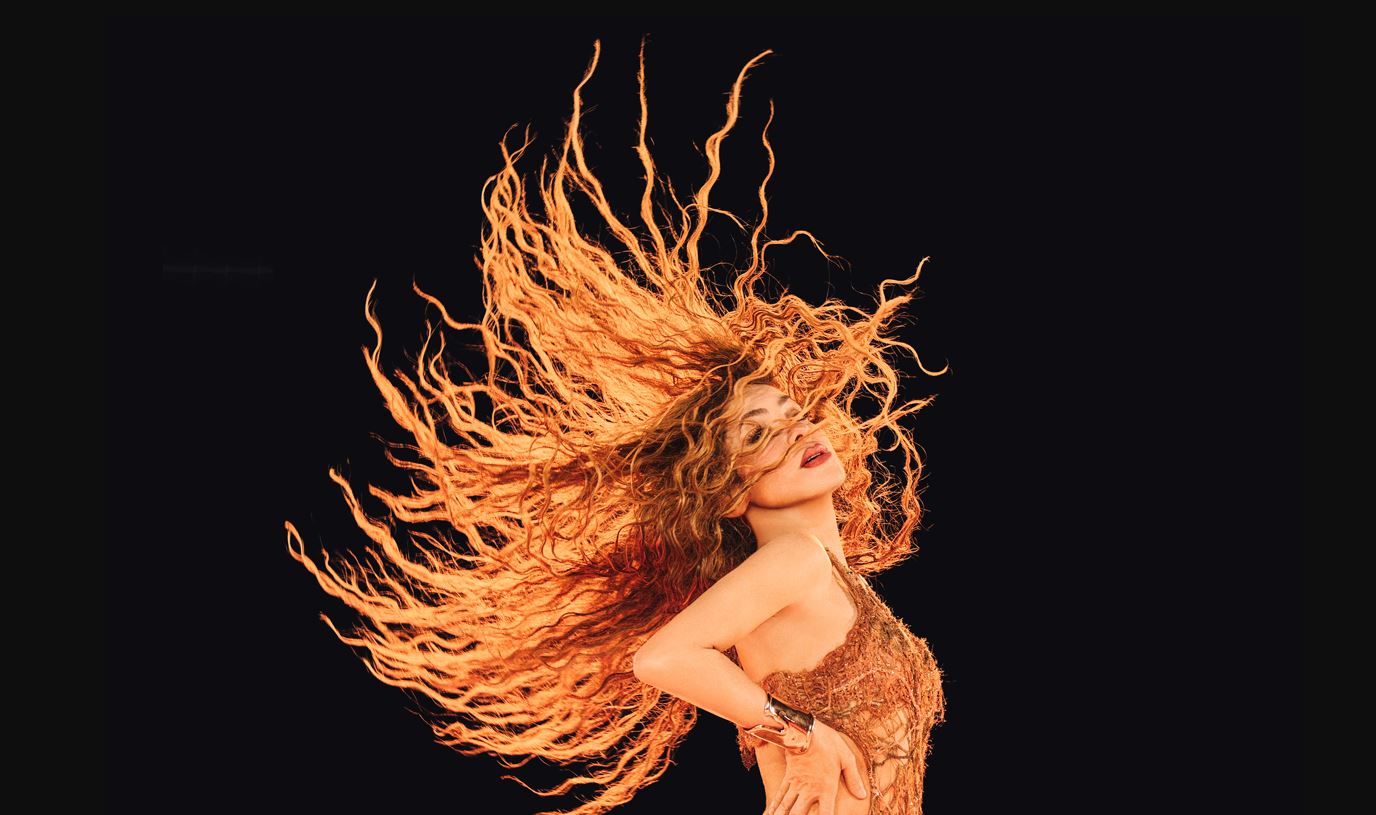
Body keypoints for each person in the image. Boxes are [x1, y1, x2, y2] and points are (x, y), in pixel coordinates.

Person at [285, 37, 947, 815]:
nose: (799, 431)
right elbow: (663, 655)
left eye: (793, 414)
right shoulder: (794, 561)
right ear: (728, 493)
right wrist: (796, 730)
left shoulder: (836, 579)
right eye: (759, 434)